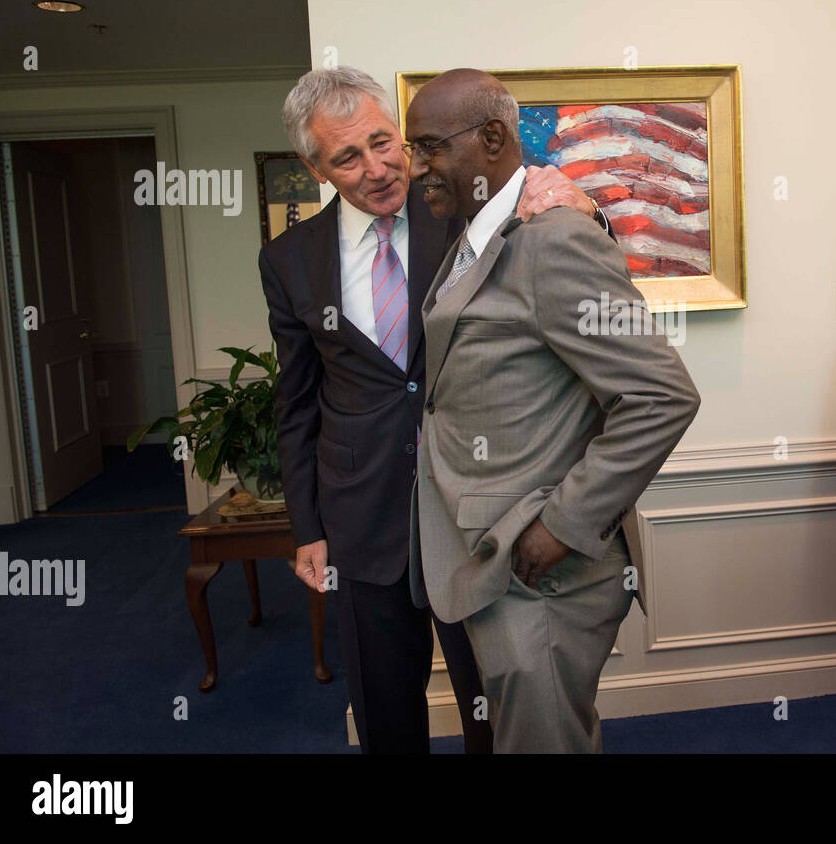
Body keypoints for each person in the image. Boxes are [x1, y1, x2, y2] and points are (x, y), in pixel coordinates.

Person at [259, 65, 608, 753]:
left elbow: (568, 266)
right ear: (315, 166)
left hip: (476, 511)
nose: (381, 167)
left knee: (496, 706)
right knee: (386, 715)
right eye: (348, 157)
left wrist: (588, 210)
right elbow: (296, 401)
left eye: (385, 141)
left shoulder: (465, 206)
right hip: (363, 517)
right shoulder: (289, 260)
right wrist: (307, 525)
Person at [408, 68, 701, 752]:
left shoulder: (554, 240)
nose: (415, 166)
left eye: (428, 146)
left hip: (541, 574)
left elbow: (661, 395)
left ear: (490, 138)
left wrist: (562, 525)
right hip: (489, 559)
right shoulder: (479, 231)